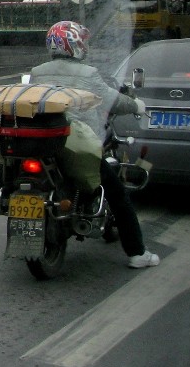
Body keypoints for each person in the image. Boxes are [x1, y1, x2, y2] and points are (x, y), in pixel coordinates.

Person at [30, 20, 160, 269]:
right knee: (119, 194)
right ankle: (137, 253)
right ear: (75, 44)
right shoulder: (88, 74)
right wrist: (137, 106)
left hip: (44, 142)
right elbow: (112, 100)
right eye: (82, 41)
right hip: (78, 144)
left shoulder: (38, 71)